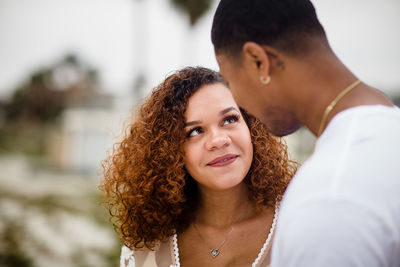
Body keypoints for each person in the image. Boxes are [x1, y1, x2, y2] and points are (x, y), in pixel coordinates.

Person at [211, 0, 400, 266]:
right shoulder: (388, 133)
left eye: (230, 81)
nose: (238, 101)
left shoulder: (329, 199)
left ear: (258, 61)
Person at [100, 67, 297, 267]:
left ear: (252, 127)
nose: (218, 140)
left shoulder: (300, 222)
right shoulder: (147, 248)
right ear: (170, 151)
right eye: (194, 131)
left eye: (230, 119)